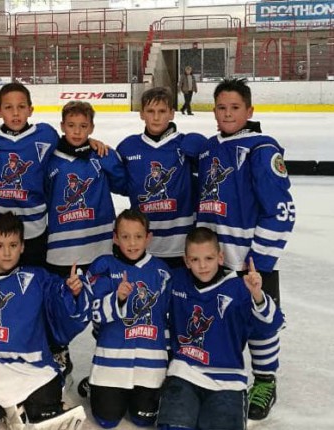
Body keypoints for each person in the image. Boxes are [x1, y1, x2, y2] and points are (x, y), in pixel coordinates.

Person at [196, 77, 295, 420]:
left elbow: (281, 212)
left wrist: (260, 260)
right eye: (221, 107)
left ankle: (265, 380)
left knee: (261, 323)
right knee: (219, 317)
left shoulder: (261, 149)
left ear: (249, 110)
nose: (227, 113)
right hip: (214, 260)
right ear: (213, 111)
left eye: (235, 107)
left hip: (249, 261)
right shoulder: (208, 148)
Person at [0, 212, 89, 429]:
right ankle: (17, 409)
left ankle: (20, 408)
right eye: (0, 246)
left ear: (22, 246)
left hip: (31, 369)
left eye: (13, 245)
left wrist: (71, 292)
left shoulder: (37, 278)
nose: (7, 252)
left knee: (46, 401)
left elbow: (59, 302)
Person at [0, 82, 107, 269]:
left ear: (30, 110)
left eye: (21, 107)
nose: (15, 113)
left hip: (33, 228)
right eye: (8, 107)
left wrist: (89, 142)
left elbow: (70, 142)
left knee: (35, 281)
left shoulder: (45, 135)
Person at [157, 227, 284, 430]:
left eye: (209, 258)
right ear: (186, 261)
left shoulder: (239, 289)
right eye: (195, 259)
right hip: (183, 375)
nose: (202, 265)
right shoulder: (176, 281)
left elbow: (271, 325)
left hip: (228, 381)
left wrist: (258, 295)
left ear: (221, 257)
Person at [82, 209, 171, 428]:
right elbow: (92, 313)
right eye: (125, 236)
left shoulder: (162, 272)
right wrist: (117, 299)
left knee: (143, 420)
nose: (132, 243)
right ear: (115, 237)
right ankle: (95, 385)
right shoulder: (103, 266)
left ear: (148, 238)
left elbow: (168, 318)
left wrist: (168, 361)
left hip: (150, 365)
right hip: (112, 360)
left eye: (138, 236)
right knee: (107, 420)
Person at [116, 86, 206, 269]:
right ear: (141, 114)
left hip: (182, 245)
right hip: (141, 245)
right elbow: (123, 186)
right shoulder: (127, 147)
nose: (156, 117)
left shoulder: (185, 144)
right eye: (150, 111)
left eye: (162, 111)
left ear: (172, 113)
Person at [45, 100, 127, 277]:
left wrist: (111, 159)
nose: (77, 131)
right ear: (62, 126)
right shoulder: (50, 160)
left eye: (83, 126)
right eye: (71, 125)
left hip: (101, 246)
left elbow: (124, 186)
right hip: (61, 251)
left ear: (91, 128)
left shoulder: (101, 155)